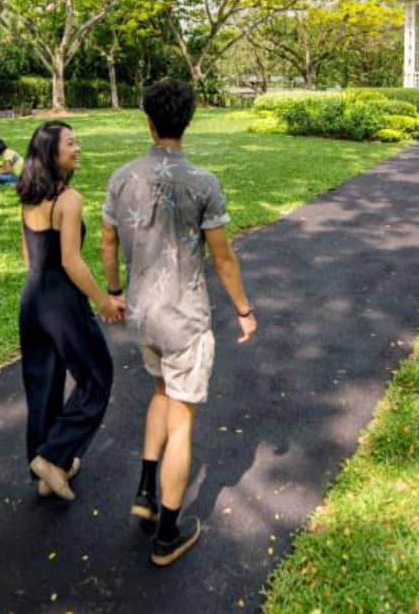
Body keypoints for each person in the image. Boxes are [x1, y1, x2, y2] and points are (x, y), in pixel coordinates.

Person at [101, 80, 258, 568]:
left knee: (161, 394)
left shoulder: (121, 177)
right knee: (183, 418)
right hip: (185, 317)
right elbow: (223, 257)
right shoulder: (204, 182)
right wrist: (244, 310)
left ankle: (146, 492)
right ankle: (167, 534)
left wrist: (113, 292)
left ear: (148, 120)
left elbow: (107, 241)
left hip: (143, 316)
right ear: (188, 120)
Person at [16, 121, 124, 502]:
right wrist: (104, 300)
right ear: (52, 152)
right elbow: (72, 261)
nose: (78, 147)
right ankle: (54, 455)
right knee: (97, 376)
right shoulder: (70, 199)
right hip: (62, 300)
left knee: (42, 385)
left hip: (32, 297)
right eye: (70, 143)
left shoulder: (29, 197)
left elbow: (29, 255)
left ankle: (48, 468)